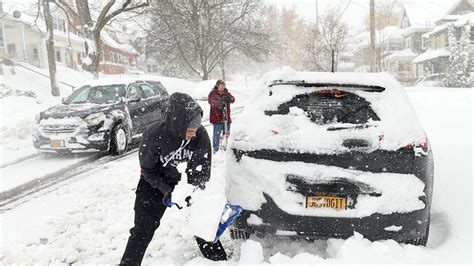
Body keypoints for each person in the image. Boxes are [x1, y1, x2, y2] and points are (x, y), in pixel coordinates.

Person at [121, 92, 211, 265]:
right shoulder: (154, 134)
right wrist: (166, 190)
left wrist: (190, 192)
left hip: (185, 182)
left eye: (196, 130)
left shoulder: (200, 136)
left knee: (202, 221)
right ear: (179, 124)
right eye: (190, 130)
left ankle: (217, 259)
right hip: (154, 182)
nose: (193, 135)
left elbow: (201, 171)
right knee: (143, 228)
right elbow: (148, 170)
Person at [208, 80, 235, 153]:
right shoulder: (213, 93)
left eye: (224, 85)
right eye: (221, 85)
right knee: (216, 134)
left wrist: (229, 98)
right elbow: (211, 101)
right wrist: (221, 102)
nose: (223, 87)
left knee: (227, 134)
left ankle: (225, 147)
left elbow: (233, 99)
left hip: (226, 117)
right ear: (217, 85)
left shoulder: (226, 93)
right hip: (217, 118)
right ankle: (216, 149)